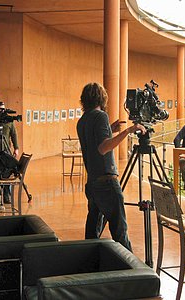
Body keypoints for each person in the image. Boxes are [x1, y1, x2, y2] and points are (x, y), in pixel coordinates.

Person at [76, 82, 146, 251]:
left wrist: (110, 129)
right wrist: (128, 131)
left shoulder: (82, 121)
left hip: (92, 183)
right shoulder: (100, 116)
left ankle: (89, 266)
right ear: (102, 98)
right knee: (120, 232)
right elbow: (103, 147)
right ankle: (131, 271)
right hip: (106, 182)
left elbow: (94, 143)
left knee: (92, 232)